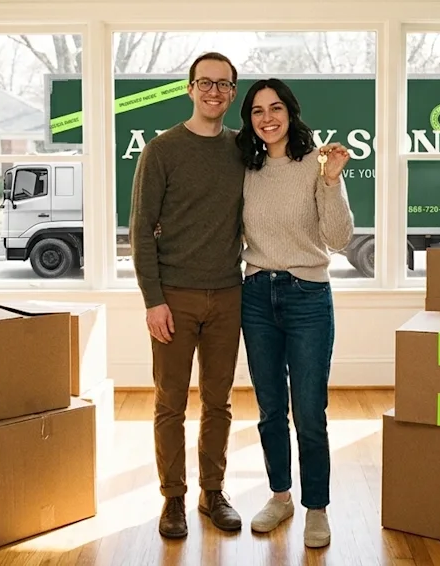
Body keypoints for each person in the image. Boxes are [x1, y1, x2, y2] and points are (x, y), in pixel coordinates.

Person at [129, 51, 247, 539]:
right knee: (170, 403)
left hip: (228, 293)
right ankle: (173, 498)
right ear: (190, 88)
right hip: (172, 297)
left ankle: (212, 492)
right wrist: (152, 299)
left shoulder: (243, 150)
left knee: (219, 402)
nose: (214, 91)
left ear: (233, 93)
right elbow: (140, 231)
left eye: (223, 84)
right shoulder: (161, 150)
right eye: (205, 82)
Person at [234, 78, 354, 549]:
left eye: (275, 107)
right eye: (258, 110)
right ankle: (280, 496)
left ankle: (316, 508)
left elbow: (340, 238)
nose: (267, 117)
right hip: (256, 295)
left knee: (309, 411)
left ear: (291, 113)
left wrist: (332, 180)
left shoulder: (315, 164)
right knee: (269, 410)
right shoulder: (246, 168)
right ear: (249, 120)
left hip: (307, 296)